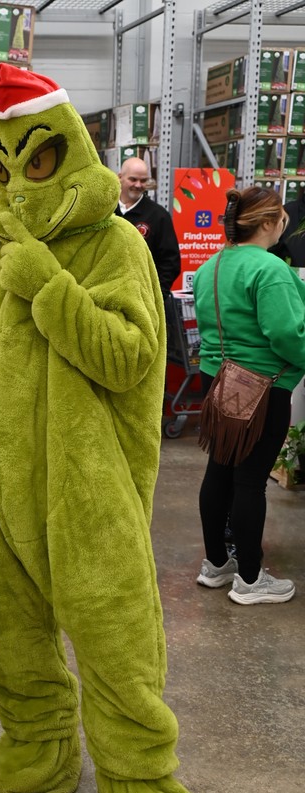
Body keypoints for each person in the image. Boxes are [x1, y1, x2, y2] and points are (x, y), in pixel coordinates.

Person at [0, 65, 193, 793]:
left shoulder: (117, 245)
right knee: (10, 638)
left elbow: (130, 357)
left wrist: (47, 284)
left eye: (38, 159)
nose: (18, 185)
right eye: (0, 163)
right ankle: (40, 743)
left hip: (89, 488)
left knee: (115, 640)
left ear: (72, 152)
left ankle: (138, 772)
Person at [193, 186, 305, 605]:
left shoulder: (211, 267)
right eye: (280, 219)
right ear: (265, 222)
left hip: (218, 382)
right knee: (251, 481)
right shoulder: (271, 269)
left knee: (220, 469)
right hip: (262, 387)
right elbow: (285, 334)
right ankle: (251, 580)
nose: (284, 224)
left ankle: (216, 565)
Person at [115, 156, 181, 296]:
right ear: (120, 177)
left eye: (143, 180)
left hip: (143, 298)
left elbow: (170, 262)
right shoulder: (106, 211)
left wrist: (157, 295)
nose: (138, 185)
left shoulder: (158, 216)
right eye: (133, 179)